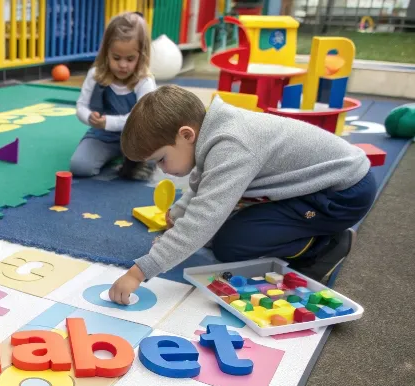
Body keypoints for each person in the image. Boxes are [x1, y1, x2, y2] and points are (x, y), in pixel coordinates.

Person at [109, 85, 375, 304]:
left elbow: (204, 217)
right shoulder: (211, 133)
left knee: (232, 244)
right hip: (311, 187)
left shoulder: (231, 146)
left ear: (186, 135)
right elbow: (203, 186)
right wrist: (177, 217)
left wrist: (140, 271)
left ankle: (324, 246)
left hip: (342, 194)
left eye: (161, 160)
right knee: (219, 229)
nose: (162, 170)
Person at [69, 11, 157, 180]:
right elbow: (81, 106)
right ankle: (117, 155)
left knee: (144, 163)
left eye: (130, 59)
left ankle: (137, 160)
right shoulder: (96, 75)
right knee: (79, 167)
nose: (123, 65)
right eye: (116, 58)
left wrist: (108, 122)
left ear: (141, 55)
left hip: (136, 136)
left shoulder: (144, 81)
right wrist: (90, 118)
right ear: (106, 53)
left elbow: (142, 119)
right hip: (103, 135)